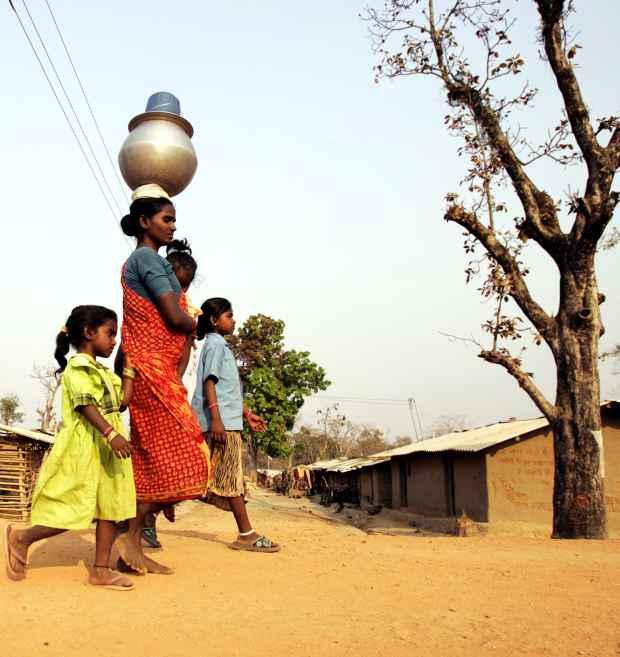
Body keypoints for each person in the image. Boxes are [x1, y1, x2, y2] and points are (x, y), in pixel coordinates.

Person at [4, 305, 136, 590]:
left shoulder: (102, 371)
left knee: (110, 508)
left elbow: (122, 401)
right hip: (86, 447)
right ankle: (22, 537)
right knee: (75, 507)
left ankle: (100, 570)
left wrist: (129, 369)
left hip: (108, 451)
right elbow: (85, 404)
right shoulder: (77, 368)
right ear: (89, 333)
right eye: (109, 333)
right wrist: (111, 432)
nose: (114, 340)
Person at [115, 186, 210, 575]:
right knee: (190, 452)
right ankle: (127, 536)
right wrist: (199, 324)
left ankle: (131, 541)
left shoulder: (145, 262)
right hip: (153, 371)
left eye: (173, 220)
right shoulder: (147, 260)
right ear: (144, 222)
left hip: (150, 370)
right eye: (166, 219)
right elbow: (173, 317)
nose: (172, 226)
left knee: (151, 460)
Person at [192, 297, 280, 553]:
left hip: (227, 421)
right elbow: (210, 385)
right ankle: (246, 534)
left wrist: (246, 413)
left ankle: (146, 519)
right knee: (230, 480)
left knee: (215, 478)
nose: (234, 320)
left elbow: (225, 391)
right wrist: (217, 421)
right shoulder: (217, 347)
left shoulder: (217, 346)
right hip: (222, 425)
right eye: (229, 315)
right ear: (213, 320)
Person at [141, 238, 200, 550]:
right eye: (178, 284)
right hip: (149, 382)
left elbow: (186, 349)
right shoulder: (154, 305)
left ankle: (156, 507)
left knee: (186, 451)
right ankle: (144, 524)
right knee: (151, 456)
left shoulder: (186, 308)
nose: (181, 291)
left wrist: (174, 381)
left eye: (186, 286)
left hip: (169, 385)